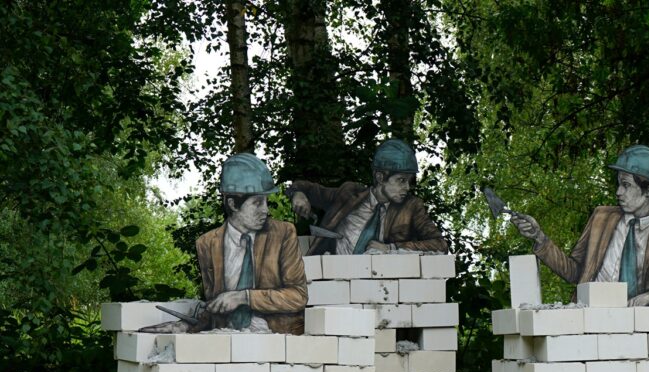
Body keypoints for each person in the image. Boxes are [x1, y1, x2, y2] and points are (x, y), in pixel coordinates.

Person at [510, 145, 649, 306]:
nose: (618, 192)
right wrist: (539, 237)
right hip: (589, 319)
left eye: (626, 185)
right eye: (618, 184)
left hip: (636, 326)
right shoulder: (601, 218)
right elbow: (575, 272)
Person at [141, 153, 308, 334]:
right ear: (233, 204)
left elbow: (298, 296)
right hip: (228, 339)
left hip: (277, 339)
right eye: (257, 203)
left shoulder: (282, 234)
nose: (265, 210)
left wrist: (244, 297)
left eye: (266, 201)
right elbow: (215, 307)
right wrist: (187, 326)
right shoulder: (207, 244)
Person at [287, 139, 448, 255]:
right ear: (380, 177)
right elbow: (305, 188)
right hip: (334, 279)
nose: (407, 187)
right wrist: (298, 194)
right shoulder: (348, 194)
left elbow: (440, 244)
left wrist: (391, 248)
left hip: (381, 285)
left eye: (408, 181)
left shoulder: (411, 207)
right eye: (401, 180)